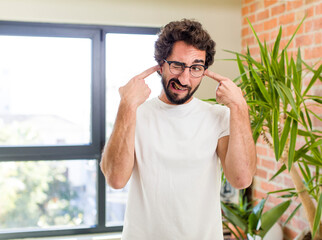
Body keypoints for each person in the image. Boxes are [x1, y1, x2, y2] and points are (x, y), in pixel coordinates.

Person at [100, 19, 257, 240]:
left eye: (195, 68)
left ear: (204, 70)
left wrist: (239, 106)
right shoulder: (135, 114)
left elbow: (241, 179)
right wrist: (126, 105)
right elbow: (116, 179)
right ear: (161, 64)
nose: (185, 78)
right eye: (177, 65)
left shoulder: (219, 117)